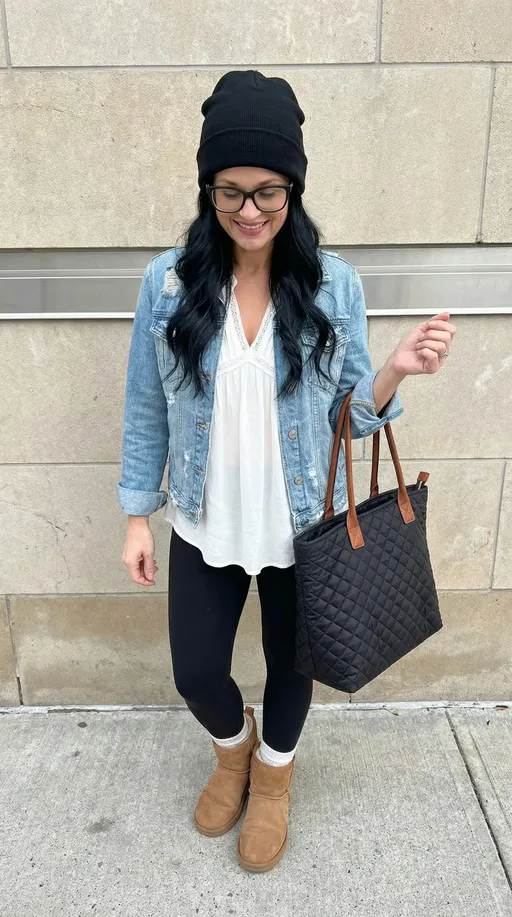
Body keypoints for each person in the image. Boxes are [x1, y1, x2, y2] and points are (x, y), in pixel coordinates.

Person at [117, 70, 455, 873]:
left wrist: (396, 369)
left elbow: (350, 417)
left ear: (293, 189)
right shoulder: (169, 282)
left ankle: (273, 777)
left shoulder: (333, 285)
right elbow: (145, 405)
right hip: (205, 517)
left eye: (268, 191)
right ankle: (233, 748)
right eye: (230, 191)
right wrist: (137, 514)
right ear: (208, 188)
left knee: (291, 665)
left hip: (299, 525)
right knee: (197, 670)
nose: (249, 210)